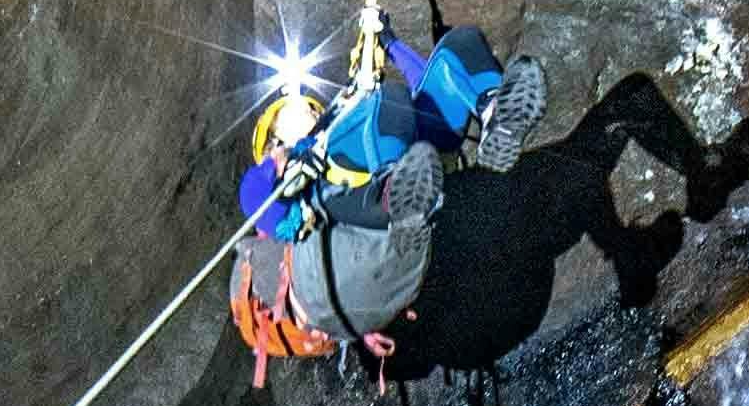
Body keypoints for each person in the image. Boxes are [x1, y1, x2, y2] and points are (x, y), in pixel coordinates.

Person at [228, 24, 552, 380]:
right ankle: (393, 194)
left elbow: (419, 103)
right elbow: (253, 196)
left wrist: (391, 44)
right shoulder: (289, 171)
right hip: (325, 263)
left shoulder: (351, 132)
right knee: (388, 103)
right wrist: (288, 200)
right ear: (272, 141)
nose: (302, 114)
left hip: (391, 271)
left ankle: (494, 114)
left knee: (456, 51)